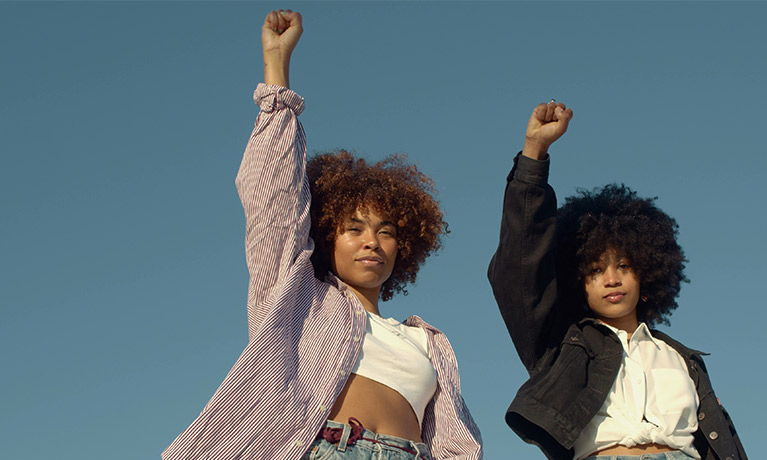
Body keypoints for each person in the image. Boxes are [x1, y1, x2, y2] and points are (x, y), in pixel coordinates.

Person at [162, 9, 482, 460]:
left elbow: (455, 440)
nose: (371, 241)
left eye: (385, 232)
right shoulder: (298, 298)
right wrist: (277, 77)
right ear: (326, 237)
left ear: (404, 248)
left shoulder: (428, 343)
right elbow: (274, 206)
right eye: (353, 229)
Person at [487, 101, 747, 460]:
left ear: (647, 270)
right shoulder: (561, 347)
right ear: (577, 280)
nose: (611, 279)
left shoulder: (682, 359)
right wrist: (534, 154)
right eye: (595, 270)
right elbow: (518, 266)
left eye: (622, 265)